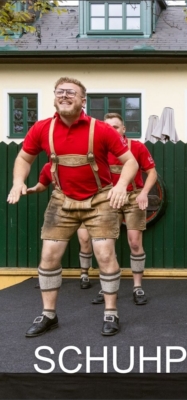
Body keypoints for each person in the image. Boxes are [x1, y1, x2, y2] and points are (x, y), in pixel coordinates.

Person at [7, 77, 138, 337]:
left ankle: (111, 312)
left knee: (105, 255)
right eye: (60, 92)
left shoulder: (102, 130)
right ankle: (48, 315)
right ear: (54, 97)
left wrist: (121, 185)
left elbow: (131, 162)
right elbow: (24, 157)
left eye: (71, 92)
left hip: (100, 199)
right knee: (48, 257)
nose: (64, 96)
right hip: (62, 199)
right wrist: (18, 182)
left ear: (82, 100)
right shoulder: (42, 129)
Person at [91, 113, 157, 306]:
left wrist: (144, 193)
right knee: (105, 245)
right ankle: (107, 286)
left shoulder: (136, 147)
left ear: (124, 129)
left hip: (133, 197)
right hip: (108, 198)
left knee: (135, 243)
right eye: (108, 127)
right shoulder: (98, 149)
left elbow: (152, 172)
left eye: (115, 127)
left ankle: (137, 287)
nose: (112, 130)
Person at [27, 163, 94, 290]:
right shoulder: (48, 167)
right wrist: (33, 189)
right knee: (51, 244)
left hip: (84, 205)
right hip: (61, 207)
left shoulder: (83, 163)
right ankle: (47, 276)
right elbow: (42, 184)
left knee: (85, 239)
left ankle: (84, 274)